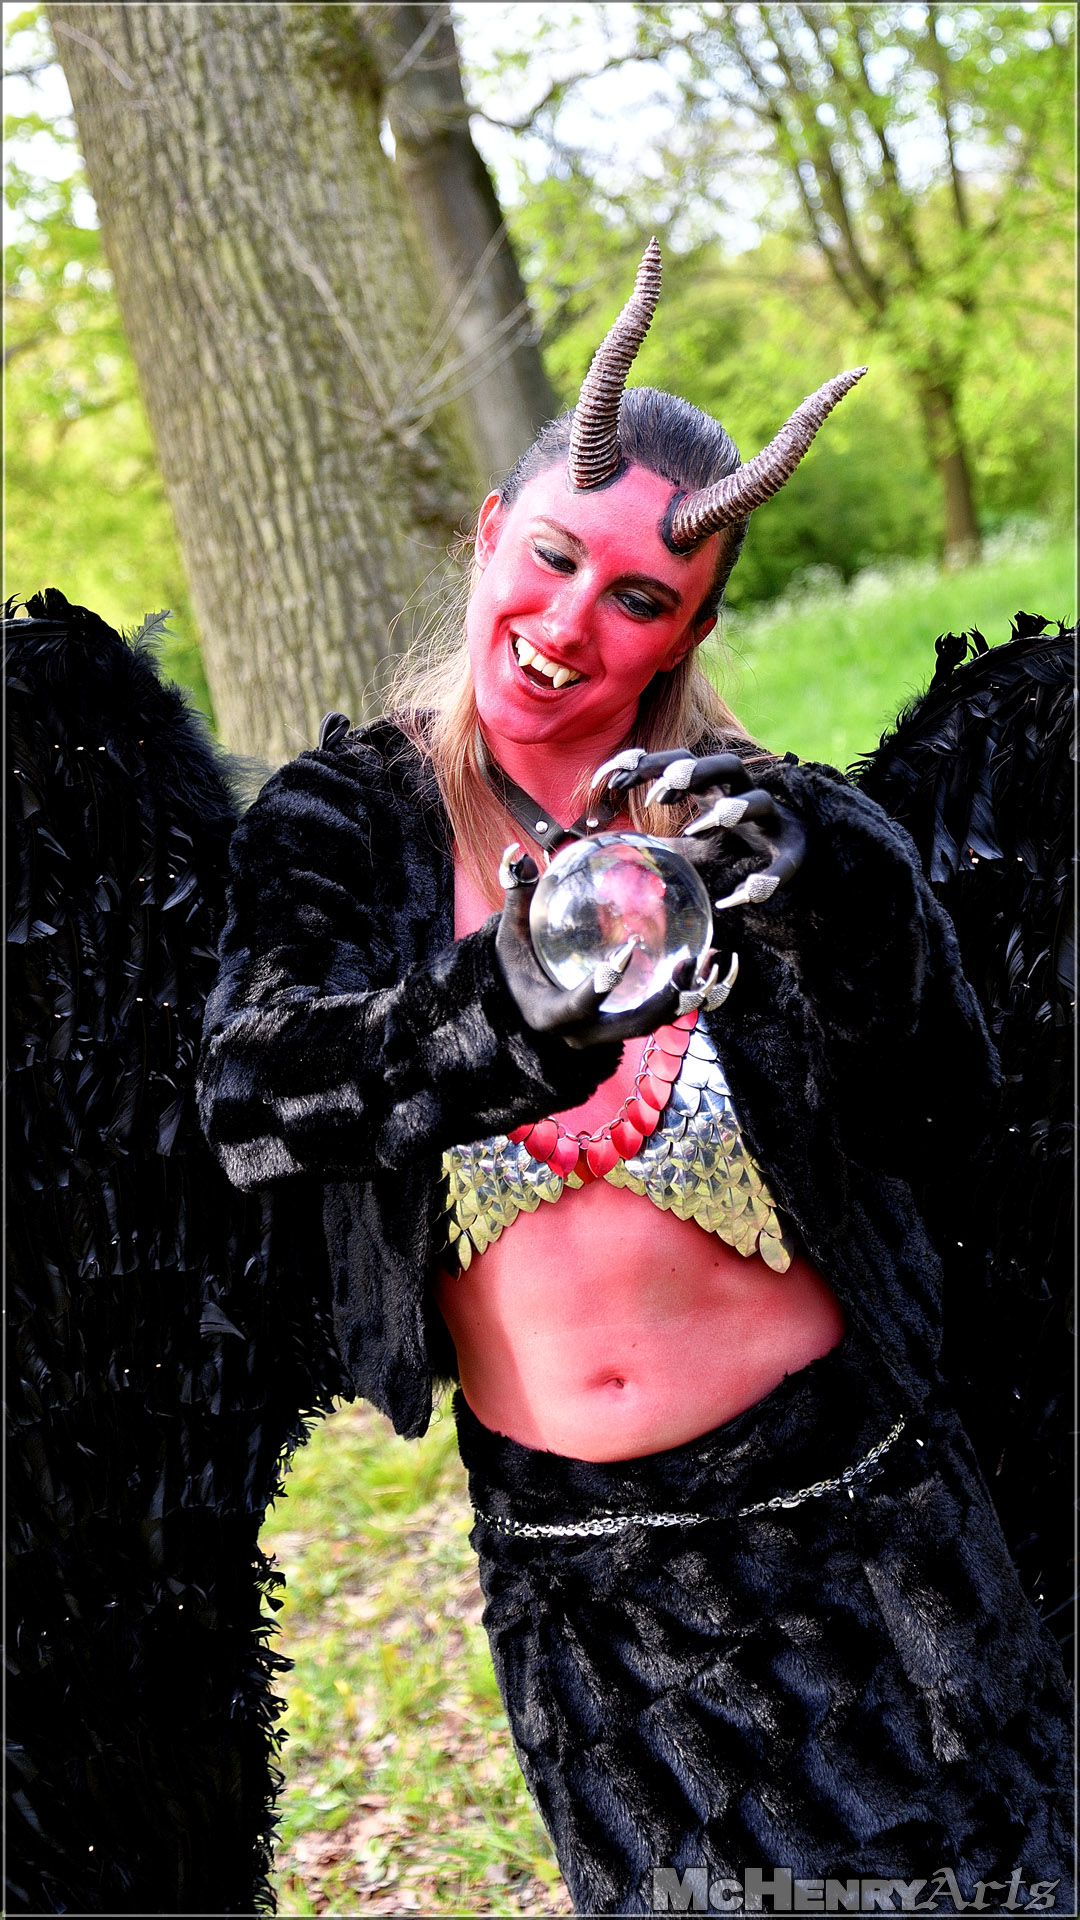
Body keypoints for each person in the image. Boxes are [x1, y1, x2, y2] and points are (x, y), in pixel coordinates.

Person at [197, 244, 1073, 1914]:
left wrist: (844, 891)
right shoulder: (343, 827)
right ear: (488, 534)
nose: (567, 627)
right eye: (553, 558)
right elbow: (255, 1095)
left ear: (693, 626)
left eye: (639, 600)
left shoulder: (767, 818)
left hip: (871, 1540)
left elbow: (945, 1103)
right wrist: (507, 1005)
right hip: (590, 1606)